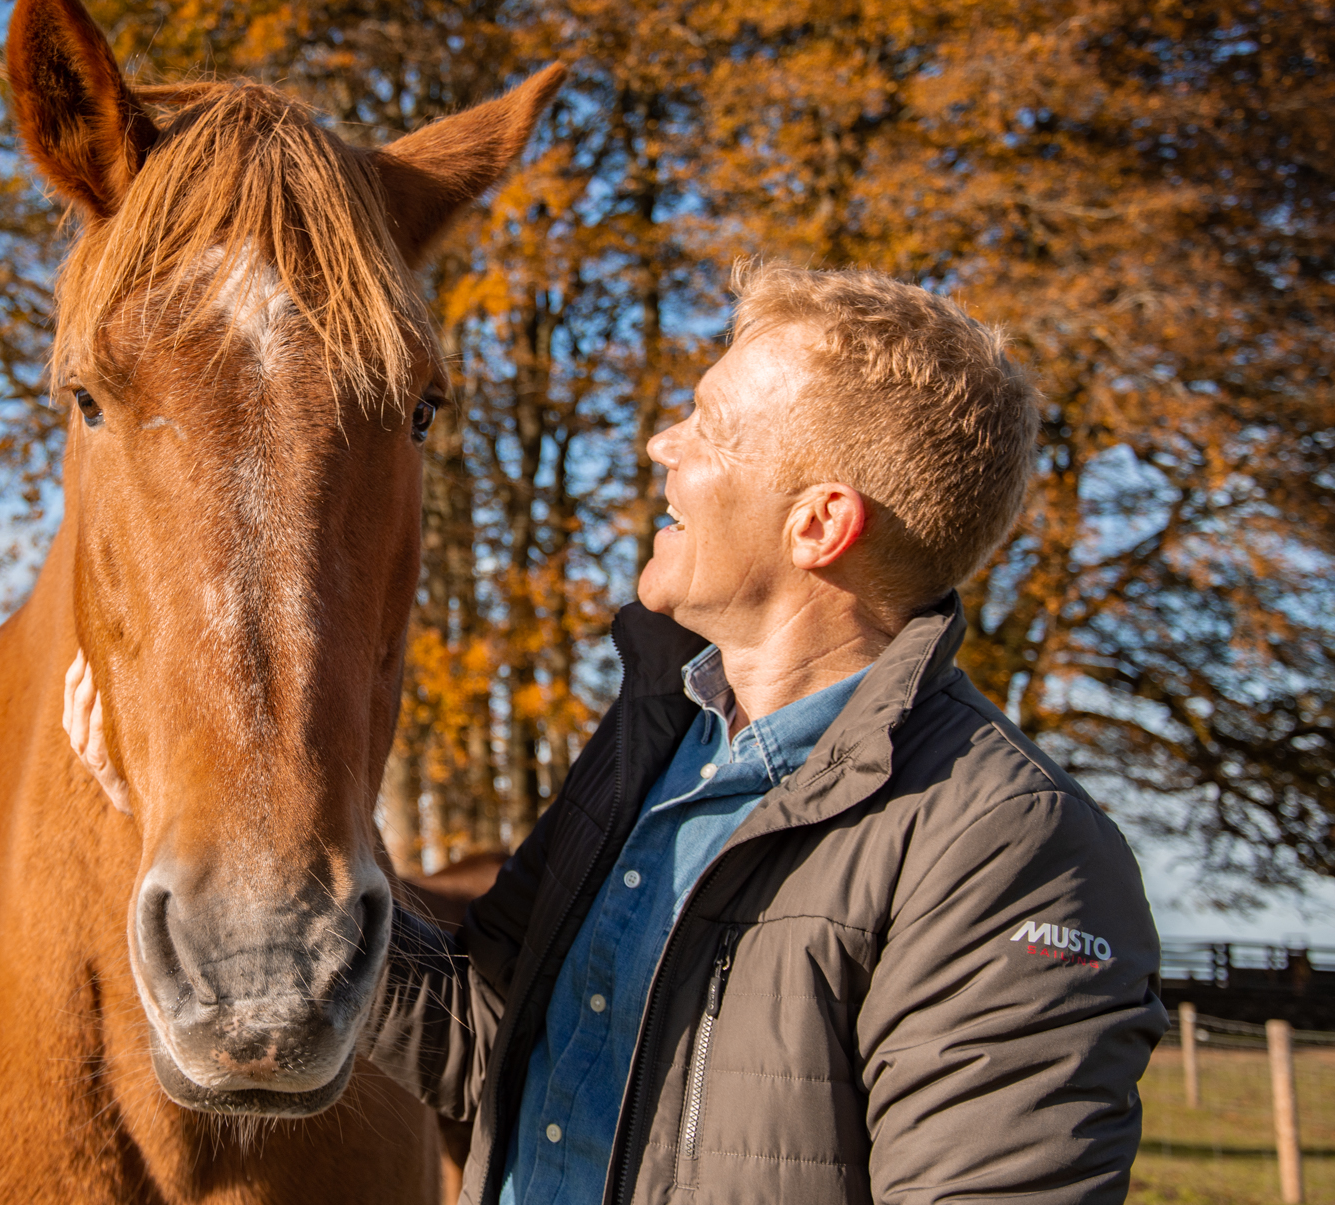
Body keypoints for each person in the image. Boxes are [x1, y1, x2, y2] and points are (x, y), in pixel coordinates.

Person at [71, 261, 1166, 1204]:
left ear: (819, 524)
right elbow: (491, 1039)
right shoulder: (657, 745)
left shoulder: (1013, 854)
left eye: (708, 426)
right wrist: (217, 839)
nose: (658, 445)